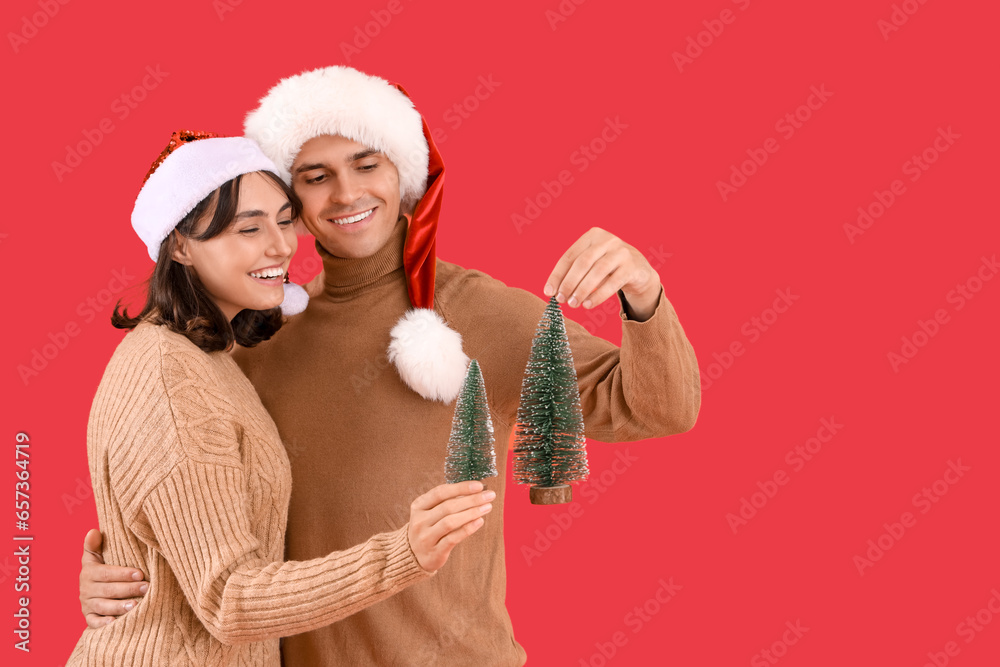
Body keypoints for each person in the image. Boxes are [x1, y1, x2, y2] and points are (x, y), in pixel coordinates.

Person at [79, 67, 701, 665]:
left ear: (402, 171)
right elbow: (199, 505)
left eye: (367, 164)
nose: (347, 193)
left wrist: (643, 294)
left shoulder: (482, 314)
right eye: (315, 176)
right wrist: (128, 577)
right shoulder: (257, 334)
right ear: (290, 195)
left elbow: (658, 407)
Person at [69, 129, 493, 665]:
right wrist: (402, 553)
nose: (281, 245)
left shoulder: (208, 355)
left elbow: (169, 529)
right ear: (179, 245)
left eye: (284, 218)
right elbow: (228, 599)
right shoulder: (172, 383)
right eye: (249, 228)